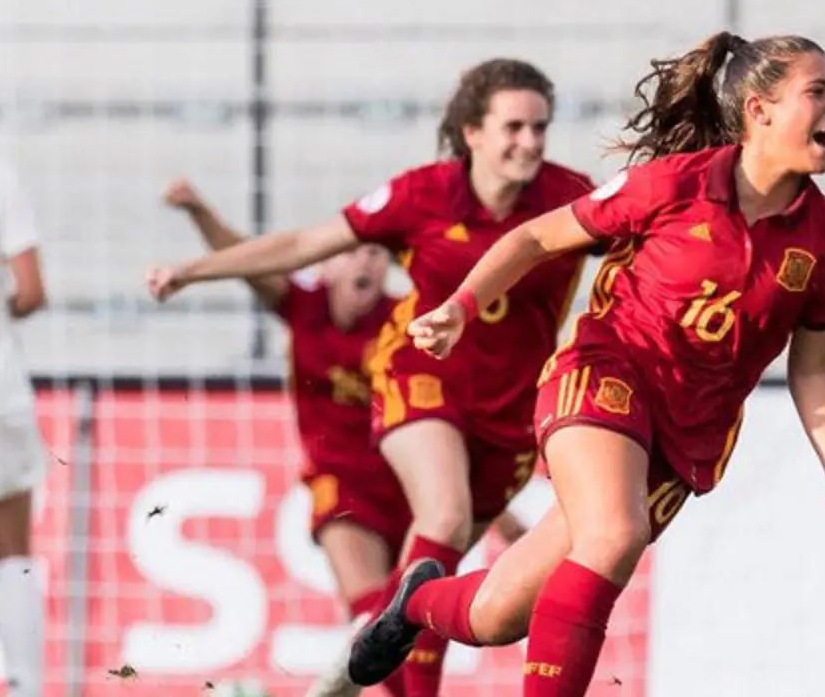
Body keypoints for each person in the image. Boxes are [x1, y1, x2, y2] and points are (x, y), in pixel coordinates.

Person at [344, 31, 825, 697]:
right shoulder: (674, 184)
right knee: (613, 534)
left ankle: (415, 603)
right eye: (820, 91)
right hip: (605, 373)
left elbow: (813, 372)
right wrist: (464, 307)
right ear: (758, 110)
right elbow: (534, 237)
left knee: (498, 615)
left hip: (685, 438)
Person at [146, 59, 593, 697]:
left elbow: (647, 232)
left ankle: (356, 672)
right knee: (444, 513)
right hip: (421, 381)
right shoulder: (423, 194)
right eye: (514, 127)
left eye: (540, 128)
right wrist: (195, 269)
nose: (529, 142)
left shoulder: (569, 197)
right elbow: (304, 244)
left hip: (511, 413)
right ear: (472, 132)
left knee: (433, 585)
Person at [161, 179, 418, 695]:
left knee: (412, 625)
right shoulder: (303, 305)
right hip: (343, 489)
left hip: (410, 489)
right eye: (353, 253)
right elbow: (246, 259)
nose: (367, 264)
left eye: (376, 255)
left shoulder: (404, 323)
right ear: (327, 263)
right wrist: (198, 210)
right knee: (372, 613)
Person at [0, 155, 48, 697]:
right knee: (13, 548)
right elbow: (31, 291)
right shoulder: (2, 176)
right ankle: (28, 687)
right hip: (1, 388)